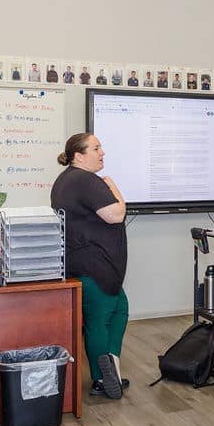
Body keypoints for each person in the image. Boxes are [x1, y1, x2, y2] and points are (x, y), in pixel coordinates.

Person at [50, 133, 131, 399]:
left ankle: (110, 368)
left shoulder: (66, 180)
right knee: (99, 320)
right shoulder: (86, 180)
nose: (102, 152)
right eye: (96, 148)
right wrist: (113, 187)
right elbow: (116, 215)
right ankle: (101, 377)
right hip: (93, 266)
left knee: (119, 309)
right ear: (79, 155)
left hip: (85, 264)